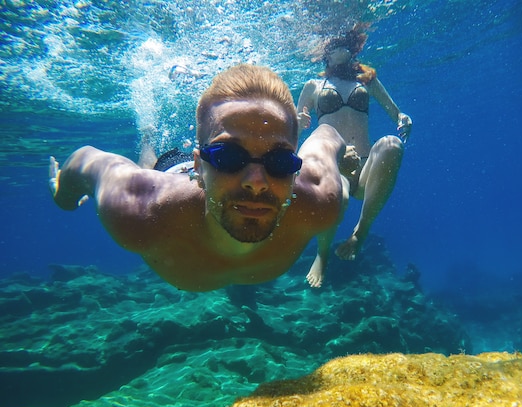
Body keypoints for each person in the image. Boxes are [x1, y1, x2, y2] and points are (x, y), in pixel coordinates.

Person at [49, 64, 347, 291]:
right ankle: (148, 135)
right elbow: (84, 159)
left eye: (279, 161)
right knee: (149, 164)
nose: (256, 181)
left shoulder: (321, 200)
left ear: (295, 171)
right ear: (200, 167)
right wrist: (63, 196)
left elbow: (328, 134)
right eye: (229, 156)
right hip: (171, 174)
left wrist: (347, 161)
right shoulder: (138, 208)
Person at [296, 27, 412, 262]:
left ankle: (361, 231)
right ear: (324, 54)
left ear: (353, 50)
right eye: (333, 44)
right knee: (342, 198)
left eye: (344, 43)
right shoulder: (313, 86)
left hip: (365, 169)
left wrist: (403, 119)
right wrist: (299, 120)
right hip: (334, 168)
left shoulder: (367, 81)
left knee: (393, 144)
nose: (339, 46)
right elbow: (295, 131)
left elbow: (395, 112)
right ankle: (322, 254)